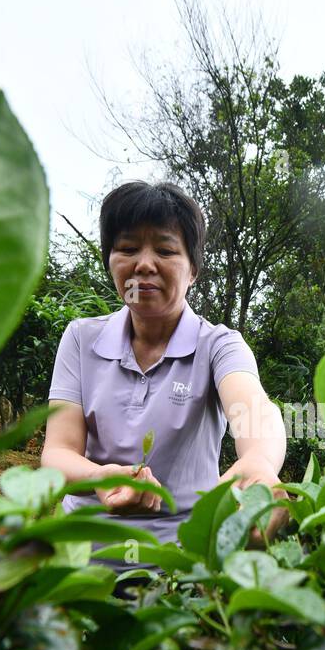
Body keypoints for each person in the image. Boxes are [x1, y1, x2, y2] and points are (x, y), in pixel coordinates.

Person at [40, 181, 289, 590]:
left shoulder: (219, 346)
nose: (144, 264)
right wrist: (106, 479)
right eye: (127, 248)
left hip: (179, 577)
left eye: (166, 250)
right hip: (78, 566)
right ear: (109, 261)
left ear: (192, 269)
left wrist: (259, 464)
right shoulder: (81, 339)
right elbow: (58, 452)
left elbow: (253, 408)